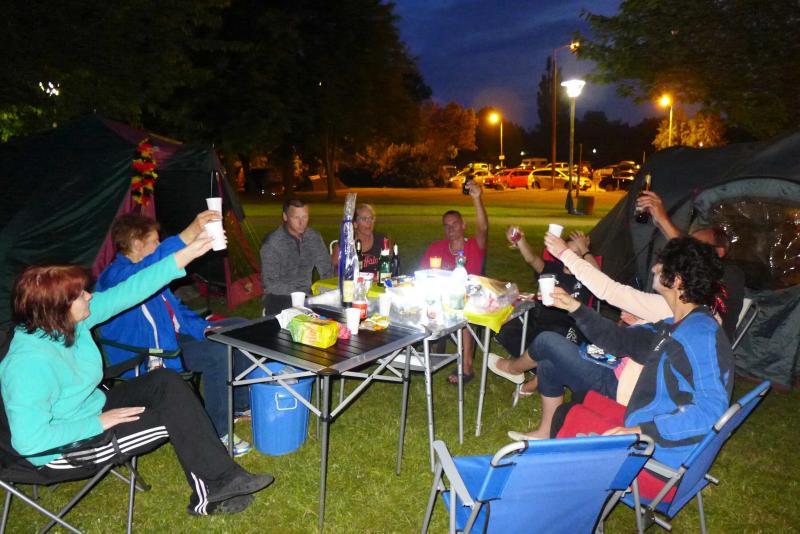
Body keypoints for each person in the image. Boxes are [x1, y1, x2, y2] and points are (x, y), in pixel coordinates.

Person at [0, 232, 274, 516]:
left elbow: (132, 289)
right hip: (62, 449)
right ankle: (213, 491)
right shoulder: (28, 363)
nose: (89, 295)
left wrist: (187, 254)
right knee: (174, 415)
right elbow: (30, 441)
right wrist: (97, 423)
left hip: (87, 407)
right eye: (80, 294)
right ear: (57, 308)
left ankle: (222, 480)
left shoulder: (69, 323)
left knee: (165, 381)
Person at [502, 237, 733, 471]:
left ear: (676, 280)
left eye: (660, 265)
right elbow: (618, 340)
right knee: (563, 412)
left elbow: (711, 410)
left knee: (564, 412)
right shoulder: (673, 324)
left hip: (657, 454)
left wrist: (641, 432)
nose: (654, 268)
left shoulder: (700, 334)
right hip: (642, 420)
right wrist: (573, 306)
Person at [96, 212, 253, 456]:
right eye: (155, 241)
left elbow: (176, 312)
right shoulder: (116, 277)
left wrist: (204, 328)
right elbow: (157, 262)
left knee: (239, 328)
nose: (159, 245)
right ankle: (217, 431)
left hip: (170, 338)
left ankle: (239, 405)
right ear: (136, 244)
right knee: (218, 353)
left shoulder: (149, 274)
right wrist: (187, 236)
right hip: (148, 355)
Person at [493, 228, 599, 395]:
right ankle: (540, 366)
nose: (572, 256)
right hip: (539, 318)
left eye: (577, 253)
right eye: (569, 251)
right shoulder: (553, 268)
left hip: (568, 326)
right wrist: (520, 240)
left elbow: (598, 276)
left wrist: (585, 249)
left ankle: (534, 374)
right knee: (503, 329)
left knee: (556, 340)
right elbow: (531, 259)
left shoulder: (586, 277)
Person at [636, 190, 744, 338]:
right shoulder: (690, 276)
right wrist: (660, 224)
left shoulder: (731, 275)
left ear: (719, 252)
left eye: (697, 246)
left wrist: (663, 220)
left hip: (703, 343)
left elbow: (691, 255)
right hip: (675, 334)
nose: (691, 251)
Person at [420, 181, 488, 383]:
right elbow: (423, 274)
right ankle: (425, 351)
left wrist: (477, 198)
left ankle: (467, 366)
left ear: (463, 225)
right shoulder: (436, 247)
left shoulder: (474, 245)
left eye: (455, 224)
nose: (451, 229)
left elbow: (483, 227)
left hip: (468, 297)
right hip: (439, 298)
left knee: (462, 310)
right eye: (447, 226)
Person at [261, 198, 333, 315]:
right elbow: (270, 283)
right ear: (285, 217)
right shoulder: (273, 243)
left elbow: (326, 269)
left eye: (305, 217)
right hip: (279, 296)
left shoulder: (313, 237)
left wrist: (326, 292)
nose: (301, 222)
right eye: (296, 218)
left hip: (307, 295)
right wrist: (301, 294)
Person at [330, 203, 392, 276]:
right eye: (364, 219)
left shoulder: (383, 241)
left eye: (371, 218)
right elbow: (332, 273)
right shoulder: (344, 246)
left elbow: (391, 268)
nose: (369, 222)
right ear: (355, 224)